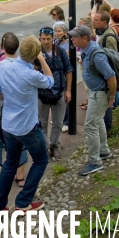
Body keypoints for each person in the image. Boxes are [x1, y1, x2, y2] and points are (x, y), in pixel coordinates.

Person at [0, 35, 54, 214]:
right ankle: (23, 201)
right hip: (27, 127)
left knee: (10, 162)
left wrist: (7, 96)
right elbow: (50, 81)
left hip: (9, 125)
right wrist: (41, 59)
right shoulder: (32, 75)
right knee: (41, 160)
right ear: (34, 54)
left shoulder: (4, 66)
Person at [0, 32, 28, 192]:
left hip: (5, 106)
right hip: (21, 107)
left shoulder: (2, 65)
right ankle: (20, 175)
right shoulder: (24, 62)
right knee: (21, 139)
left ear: (3, 47)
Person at [68, 26, 116, 176]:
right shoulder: (86, 50)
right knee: (98, 121)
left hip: (100, 94)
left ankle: (95, 161)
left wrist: (112, 97)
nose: (72, 39)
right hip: (95, 93)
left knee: (90, 125)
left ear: (85, 38)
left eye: (75, 37)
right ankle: (104, 151)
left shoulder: (96, 55)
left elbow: (111, 76)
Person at [36, 27, 73, 159]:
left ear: (53, 39)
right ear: (39, 38)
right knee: (42, 123)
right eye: (43, 39)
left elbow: (68, 70)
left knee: (58, 122)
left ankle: (54, 145)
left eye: (48, 39)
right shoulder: (35, 53)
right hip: (42, 93)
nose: (45, 42)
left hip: (58, 92)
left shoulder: (60, 51)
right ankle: (44, 147)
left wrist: (68, 90)